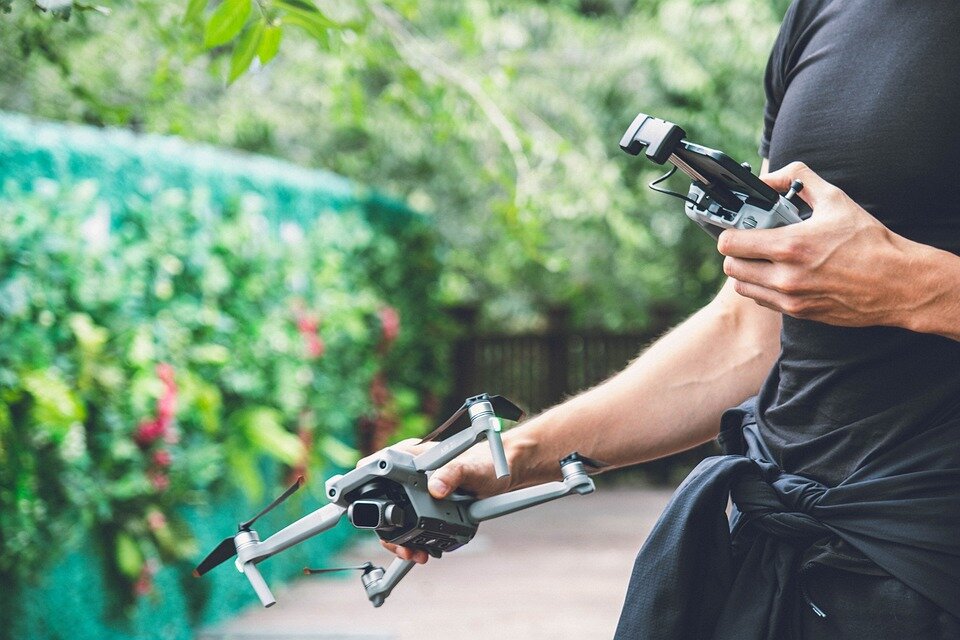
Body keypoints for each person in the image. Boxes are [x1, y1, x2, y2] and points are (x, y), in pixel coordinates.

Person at [367, 2, 960, 637]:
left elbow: (875, 285)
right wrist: (505, 457)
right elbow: (749, 333)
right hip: (784, 567)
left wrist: (913, 288)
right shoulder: (822, 12)